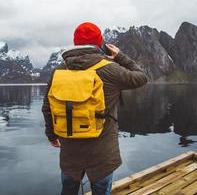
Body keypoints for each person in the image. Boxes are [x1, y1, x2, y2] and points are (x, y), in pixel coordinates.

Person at [42, 22, 148, 195]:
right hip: (102, 153)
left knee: (68, 190)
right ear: (100, 43)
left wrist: (52, 135)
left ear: (75, 43)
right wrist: (120, 56)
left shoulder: (58, 72)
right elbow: (142, 77)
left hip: (70, 150)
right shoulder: (111, 69)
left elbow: (47, 107)